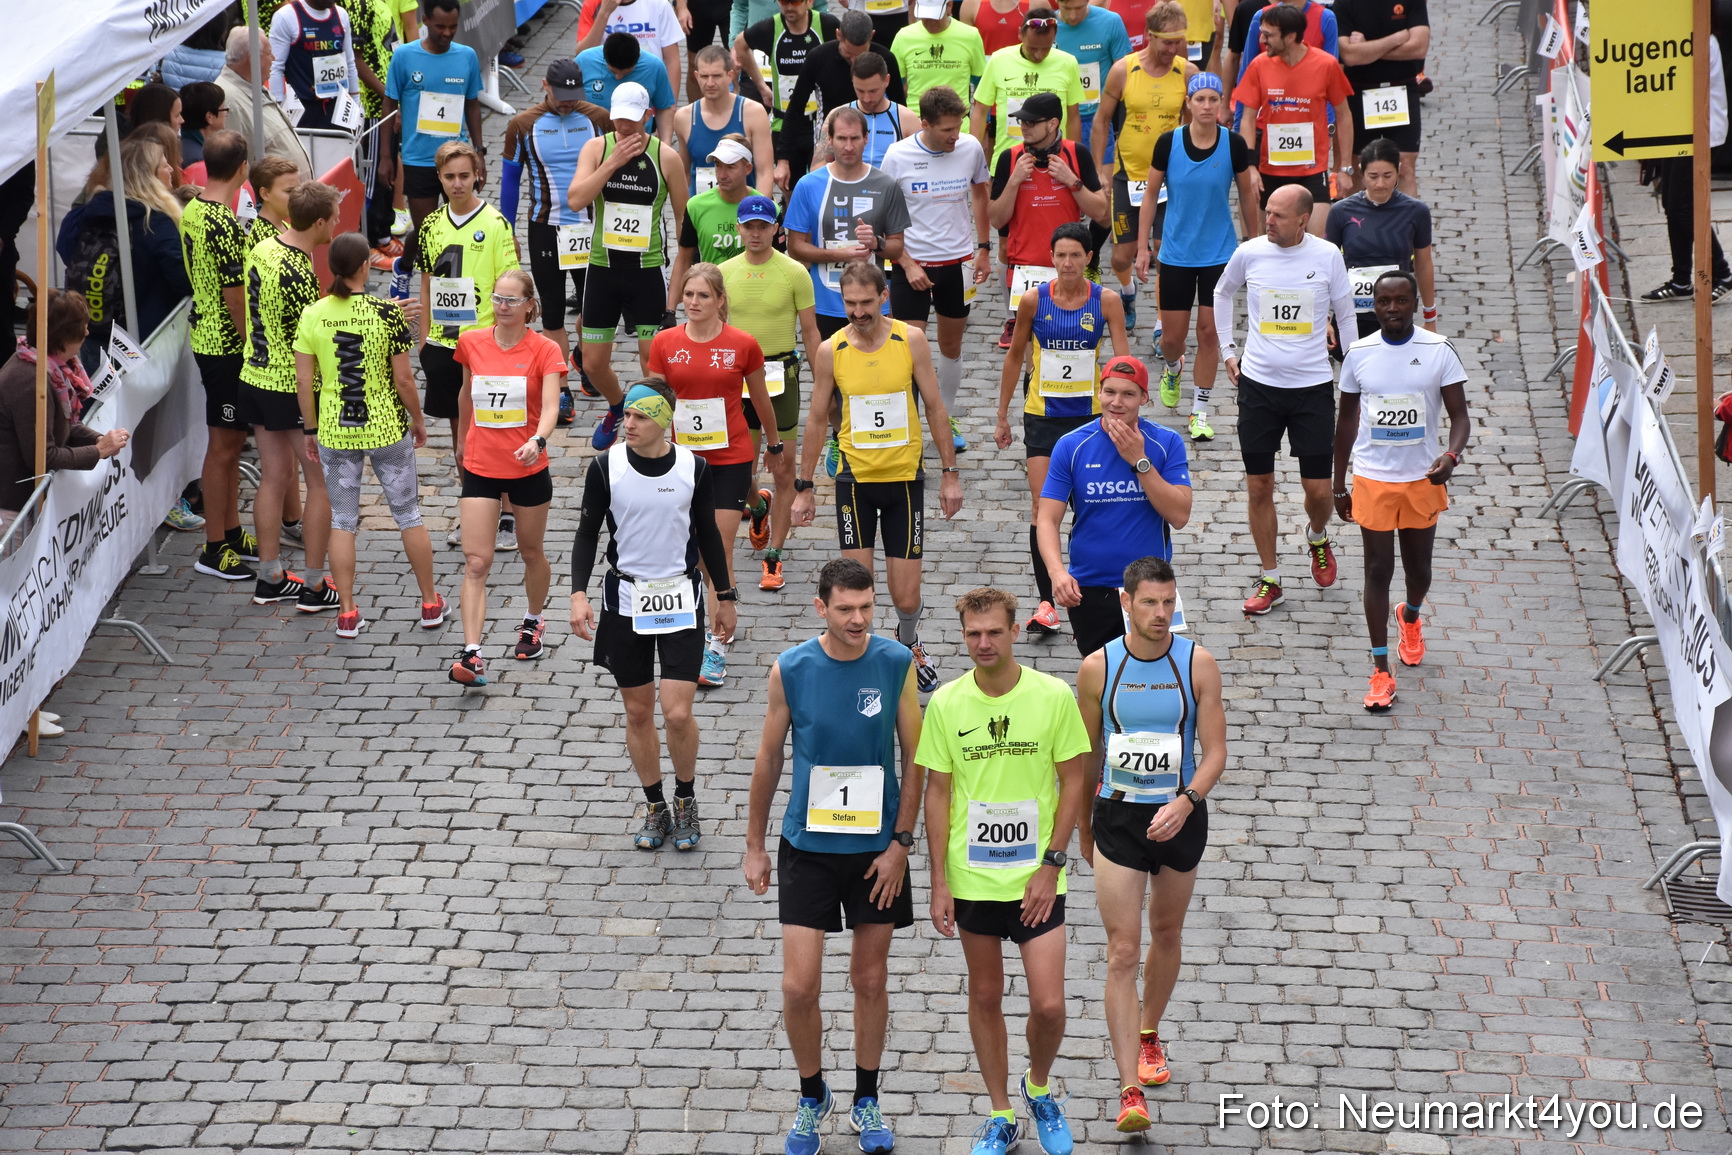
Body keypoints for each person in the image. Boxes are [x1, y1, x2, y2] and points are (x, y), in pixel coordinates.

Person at [742, 556, 921, 1155]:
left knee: (869, 978)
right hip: (808, 848)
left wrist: (901, 844)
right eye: (845, 609)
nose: (859, 619)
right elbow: (768, 761)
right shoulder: (791, 669)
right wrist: (754, 844)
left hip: (876, 852)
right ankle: (811, 1094)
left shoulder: (895, 662)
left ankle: (866, 1099)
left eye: (867, 608)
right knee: (799, 986)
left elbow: (915, 761)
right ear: (821, 607)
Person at [917, 587, 1089, 1155]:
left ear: (1016, 630)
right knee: (985, 994)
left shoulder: (1053, 696)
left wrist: (1053, 862)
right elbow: (936, 794)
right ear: (962, 635)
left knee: (1049, 1005)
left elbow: (1074, 780)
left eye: (994, 632)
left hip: (1038, 877)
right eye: (973, 634)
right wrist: (939, 880)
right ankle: (1000, 1112)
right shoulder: (945, 704)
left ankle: (1038, 1087)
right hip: (973, 879)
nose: (984, 643)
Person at [1074, 556, 1226, 1133]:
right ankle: (1128, 1088)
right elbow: (1085, 755)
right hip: (1118, 818)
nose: (1161, 614)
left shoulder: (1198, 664)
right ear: (1125, 603)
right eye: (1149, 603)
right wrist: (1085, 830)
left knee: (1166, 932)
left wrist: (1185, 801)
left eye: (1168, 603)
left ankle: (1149, 1033)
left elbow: (1215, 753)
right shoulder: (1097, 668)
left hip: (1180, 814)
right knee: (1121, 950)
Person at [571, 381, 736, 851]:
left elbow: (707, 532)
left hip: (680, 597)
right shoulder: (607, 466)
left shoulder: (693, 467)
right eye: (627, 416)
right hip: (625, 600)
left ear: (664, 420)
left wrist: (725, 595)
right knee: (638, 711)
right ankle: (655, 805)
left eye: (641, 417)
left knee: (678, 712)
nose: (630, 424)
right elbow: (586, 534)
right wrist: (577, 594)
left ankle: (685, 798)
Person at [791, 262, 963, 692]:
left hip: (904, 481)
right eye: (850, 303)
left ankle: (908, 643)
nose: (858, 311)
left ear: (884, 297)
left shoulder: (911, 339)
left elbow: (936, 408)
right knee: (854, 593)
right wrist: (805, 486)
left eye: (866, 302)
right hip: (854, 485)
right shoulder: (831, 350)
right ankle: (858, 660)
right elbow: (815, 420)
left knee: (905, 596)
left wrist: (950, 474)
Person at [292, 232, 447, 638]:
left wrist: (310, 428)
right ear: (365, 266)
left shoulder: (312, 315)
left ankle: (347, 611)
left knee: (343, 520)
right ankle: (430, 603)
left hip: (336, 429)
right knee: (409, 515)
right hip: (385, 428)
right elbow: (405, 378)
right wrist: (417, 419)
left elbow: (304, 381)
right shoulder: (386, 313)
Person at [646, 262, 792, 686]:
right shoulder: (665, 343)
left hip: (729, 458)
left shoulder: (742, 345)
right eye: (688, 295)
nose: (693, 303)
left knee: (717, 551)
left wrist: (775, 443)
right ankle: (754, 511)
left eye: (703, 296)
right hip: (681, 458)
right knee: (697, 554)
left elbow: (760, 399)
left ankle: (714, 644)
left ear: (720, 300)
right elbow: (655, 398)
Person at [1212, 183, 1355, 617]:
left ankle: (1316, 536)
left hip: (1311, 387)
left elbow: (1345, 314)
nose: (1267, 220)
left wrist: (1354, 367)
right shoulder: (1250, 252)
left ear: (1302, 221)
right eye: (1266, 211)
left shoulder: (1327, 256)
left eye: (1277, 215)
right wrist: (1227, 350)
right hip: (1258, 387)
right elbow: (1222, 293)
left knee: (1318, 491)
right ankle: (1270, 576)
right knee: (1260, 485)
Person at [1332, 270, 1468, 711]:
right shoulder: (1359, 353)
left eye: (1401, 301)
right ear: (1373, 305)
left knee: (1420, 570)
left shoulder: (1438, 350)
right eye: (1384, 301)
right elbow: (1347, 422)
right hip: (1373, 476)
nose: (1392, 309)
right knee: (1377, 569)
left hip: (1422, 477)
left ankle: (1409, 615)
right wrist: (1339, 484)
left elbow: (1460, 418)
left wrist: (1451, 456)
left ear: (1414, 303)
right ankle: (1380, 671)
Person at [995, 221, 1130, 635]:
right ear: (1050, 258)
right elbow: (1016, 355)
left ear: (1090, 258)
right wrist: (1002, 415)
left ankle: (1100, 583)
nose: (1067, 263)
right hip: (1044, 416)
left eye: (1076, 255)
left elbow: (1123, 363)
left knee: (1094, 502)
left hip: (1091, 418)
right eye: (1060, 255)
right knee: (1043, 510)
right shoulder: (1034, 300)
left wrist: (1125, 411)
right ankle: (1046, 601)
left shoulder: (1106, 301)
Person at [448, 270, 567, 684]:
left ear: (530, 306)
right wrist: (462, 442)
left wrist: (539, 438)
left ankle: (533, 619)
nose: (503, 306)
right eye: (498, 298)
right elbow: (466, 393)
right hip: (481, 465)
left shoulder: (545, 350)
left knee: (531, 551)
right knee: (477, 561)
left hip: (527, 466)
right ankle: (472, 652)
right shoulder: (472, 342)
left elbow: (552, 405)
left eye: (513, 300)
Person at [1035, 355, 1191, 657]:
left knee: (1151, 676)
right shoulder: (1071, 445)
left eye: (1128, 394)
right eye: (1110, 392)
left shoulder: (1166, 443)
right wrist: (1057, 573)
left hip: (1150, 589)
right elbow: (1047, 519)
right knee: (1101, 679)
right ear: (1098, 392)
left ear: (1144, 397)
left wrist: (1140, 462)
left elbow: (1180, 514)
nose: (1117, 402)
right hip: (1090, 587)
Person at [1135, 72, 1259, 440]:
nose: (1207, 106)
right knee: (1172, 339)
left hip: (1219, 254)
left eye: (1213, 99)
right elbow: (1150, 195)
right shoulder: (1167, 143)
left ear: (1222, 104)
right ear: (1188, 103)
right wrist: (1143, 246)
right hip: (1174, 253)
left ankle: (1199, 412)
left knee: (1209, 334)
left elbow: (1248, 199)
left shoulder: (1233, 144)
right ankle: (1173, 368)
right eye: (1199, 99)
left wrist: (1254, 243)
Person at [568, 81, 690, 450]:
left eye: (632, 122)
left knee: (652, 364)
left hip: (646, 270)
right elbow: (576, 199)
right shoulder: (596, 147)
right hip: (604, 269)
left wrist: (682, 278)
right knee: (592, 363)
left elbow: (684, 220)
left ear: (648, 117)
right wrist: (614, 161)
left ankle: (656, 431)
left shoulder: (665, 156)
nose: (624, 129)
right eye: (619, 120)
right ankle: (618, 405)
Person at [415, 141, 523, 546]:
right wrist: (424, 341)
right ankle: (475, 510)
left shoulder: (495, 224)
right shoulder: (430, 225)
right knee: (463, 438)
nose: (457, 183)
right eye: (449, 177)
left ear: (477, 173)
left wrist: (504, 343)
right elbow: (426, 285)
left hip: (484, 344)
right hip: (443, 345)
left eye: (464, 175)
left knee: (499, 429)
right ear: (439, 178)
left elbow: (509, 286)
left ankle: (508, 514)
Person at [241, 179, 341, 612]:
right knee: (320, 485)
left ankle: (270, 576)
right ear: (318, 222)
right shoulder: (300, 271)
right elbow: (311, 341)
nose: (337, 224)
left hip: (255, 375)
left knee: (274, 476)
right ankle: (316, 586)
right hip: (291, 389)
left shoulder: (263, 246)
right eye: (334, 218)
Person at [881, 85, 993, 451]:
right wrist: (907, 263)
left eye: (958, 127)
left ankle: (946, 416)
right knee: (911, 349)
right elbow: (882, 218)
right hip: (911, 267)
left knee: (950, 346)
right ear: (925, 124)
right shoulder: (898, 155)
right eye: (946, 129)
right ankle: (910, 424)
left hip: (957, 264)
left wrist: (983, 247)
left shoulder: (970, 148)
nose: (955, 136)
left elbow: (980, 191)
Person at [720, 195, 822, 591]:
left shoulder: (795, 273)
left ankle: (774, 556)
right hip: (735, 378)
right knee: (740, 470)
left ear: (776, 229)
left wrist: (823, 381)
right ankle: (756, 504)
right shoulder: (724, 272)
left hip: (780, 375)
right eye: (750, 226)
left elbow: (811, 332)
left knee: (783, 469)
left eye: (764, 226)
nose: (757, 233)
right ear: (740, 228)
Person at [501, 58, 604, 429]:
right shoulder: (523, 124)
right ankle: (562, 388)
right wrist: (507, 228)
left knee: (593, 309)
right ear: (544, 85)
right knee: (555, 311)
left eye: (573, 96)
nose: (567, 103)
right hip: (546, 227)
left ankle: (588, 360)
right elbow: (510, 180)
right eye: (560, 96)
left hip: (590, 227)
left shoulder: (597, 118)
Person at [182, 130, 261, 582]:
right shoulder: (222, 223)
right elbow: (236, 299)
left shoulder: (195, 209)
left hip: (209, 335)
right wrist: (252, 345)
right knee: (225, 445)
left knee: (229, 443)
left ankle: (230, 531)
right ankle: (214, 547)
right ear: (242, 168)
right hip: (224, 345)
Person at [1093, 1, 1195, 333]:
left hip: (1171, 179)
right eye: (1167, 41)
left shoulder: (1187, 72)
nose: (1174, 48)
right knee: (1121, 257)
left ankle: (1162, 326)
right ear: (1149, 36)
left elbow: (1194, 127)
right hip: (1128, 175)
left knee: (1164, 255)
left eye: (1179, 41)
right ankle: (1127, 292)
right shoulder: (1124, 69)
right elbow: (1101, 121)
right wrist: (1100, 169)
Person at [986, 92, 1109, 350]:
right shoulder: (1010, 158)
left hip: (1066, 268)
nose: (1024, 127)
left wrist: (1072, 182)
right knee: (1030, 357)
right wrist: (1014, 181)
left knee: (1067, 349)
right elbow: (997, 219)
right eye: (1022, 122)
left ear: (1053, 124)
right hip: (1024, 271)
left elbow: (1100, 212)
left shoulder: (1077, 154)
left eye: (1031, 122)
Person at [0, 290, 129, 531]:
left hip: (25, 502)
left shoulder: (52, 369)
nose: (88, 333)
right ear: (65, 337)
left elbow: (63, 423)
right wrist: (98, 451)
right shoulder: (31, 381)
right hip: (13, 510)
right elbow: (42, 456)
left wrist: (98, 439)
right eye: (83, 328)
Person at [57, 137, 192, 360]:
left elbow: (64, 248)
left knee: (94, 394)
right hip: (140, 340)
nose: (171, 169)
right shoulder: (154, 221)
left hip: (89, 333)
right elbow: (183, 280)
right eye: (164, 164)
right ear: (148, 176)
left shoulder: (89, 211)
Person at [784, 107, 910, 340]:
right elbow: (795, 248)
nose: (849, 146)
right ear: (830, 140)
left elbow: (897, 247)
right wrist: (840, 255)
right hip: (824, 302)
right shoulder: (808, 185)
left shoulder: (886, 185)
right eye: (842, 138)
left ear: (866, 139)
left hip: (872, 302)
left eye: (854, 138)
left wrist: (875, 242)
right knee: (829, 373)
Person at [1232, 3, 1352, 237]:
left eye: (1268, 35)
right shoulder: (1259, 65)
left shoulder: (1325, 64)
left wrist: (1345, 168)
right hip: (1269, 171)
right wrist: (1250, 166)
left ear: (1290, 37)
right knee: (1265, 245)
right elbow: (1247, 117)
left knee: (1316, 243)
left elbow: (1344, 114)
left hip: (1312, 170)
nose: (1262, 40)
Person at [382, 0, 485, 250]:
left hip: (456, 160)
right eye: (440, 26)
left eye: (453, 27)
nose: (447, 33)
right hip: (418, 160)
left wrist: (479, 153)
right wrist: (386, 157)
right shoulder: (404, 56)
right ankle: (406, 267)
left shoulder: (466, 56)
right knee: (426, 233)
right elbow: (389, 104)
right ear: (425, 20)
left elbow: (472, 105)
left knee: (458, 230)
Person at [1638, 36, 1731, 302]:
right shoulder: (1671, 36)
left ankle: (1721, 272)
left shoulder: (1701, 40)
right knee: (1671, 202)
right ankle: (1681, 281)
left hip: (1698, 132)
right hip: (1675, 127)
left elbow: (1682, 84)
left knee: (1682, 206)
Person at [777, 10, 907, 193]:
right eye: (849, 54)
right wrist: (783, 160)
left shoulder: (884, 60)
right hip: (830, 141)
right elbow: (795, 110)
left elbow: (899, 109)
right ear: (838, 35)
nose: (855, 63)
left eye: (861, 54)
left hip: (875, 141)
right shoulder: (818, 58)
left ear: (872, 36)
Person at [1324, 138, 1435, 340]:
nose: (1380, 184)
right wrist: (1323, 317)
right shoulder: (1341, 211)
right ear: (1361, 171)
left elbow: (1424, 263)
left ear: (1398, 170)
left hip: (1397, 314)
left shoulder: (1416, 211)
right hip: (1353, 314)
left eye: (1387, 175)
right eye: (1373, 176)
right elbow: (1325, 266)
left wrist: (1430, 316)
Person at [735, 0, 840, 187]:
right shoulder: (771, 27)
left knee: (822, 185)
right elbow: (740, 45)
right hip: (785, 124)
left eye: (796, 2)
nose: (790, 7)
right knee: (789, 188)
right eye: (784, 2)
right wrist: (761, 86)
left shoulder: (826, 24)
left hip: (819, 123)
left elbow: (850, 47)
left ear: (809, 2)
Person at [1333, 0, 1429, 198]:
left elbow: (1419, 47)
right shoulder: (1344, 3)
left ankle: (1406, 226)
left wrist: (1367, 48)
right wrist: (1396, 39)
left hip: (1402, 89)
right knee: (1356, 167)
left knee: (1405, 167)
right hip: (1358, 91)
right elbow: (1349, 55)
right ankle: (1356, 226)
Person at [972, 9, 1085, 174]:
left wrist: (1073, 161)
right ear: (1020, 34)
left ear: (1055, 38)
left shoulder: (1068, 63)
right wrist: (974, 155)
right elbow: (980, 111)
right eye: (1032, 48)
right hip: (1009, 160)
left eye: (1046, 49)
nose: (1039, 55)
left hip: (1055, 164)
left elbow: (1073, 116)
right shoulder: (999, 60)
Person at [669, 135, 762, 298]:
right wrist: (670, 309)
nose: (722, 175)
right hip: (710, 298)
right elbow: (684, 258)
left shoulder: (765, 208)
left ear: (747, 168)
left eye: (730, 167)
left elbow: (778, 262)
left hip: (751, 297)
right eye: (718, 166)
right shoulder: (696, 205)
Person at [674, 46, 774, 193]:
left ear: (730, 76)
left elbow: (764, 173)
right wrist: (683, 215)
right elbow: (684, 175)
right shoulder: (684, 117)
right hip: (701, 212)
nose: (710, 83)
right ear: (696, 76)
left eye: (716, 76)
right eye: (704, 76)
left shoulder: (753, 113)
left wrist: (758, 212)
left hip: (743, 210)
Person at [218, 27, 314, 178]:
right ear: (253, 58)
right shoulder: (230, 100)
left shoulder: (253, 84)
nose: (274, 58)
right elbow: (235, 168)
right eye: (269, 53)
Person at [267, 0, 362, 130]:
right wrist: (277, 111)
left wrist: (355, 104)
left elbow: (350, 63)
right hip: (303, 110)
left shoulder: (341, 14)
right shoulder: (286, 16)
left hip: (339, 108)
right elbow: (275, 67)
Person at [1055, 0, 1132, 157]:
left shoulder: (1111, 21)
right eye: (1067, 9)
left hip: (1098, 120)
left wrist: (1123, 129)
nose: (1073, 15)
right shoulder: (1048, 26)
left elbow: (1126, 78)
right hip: (1057, 122)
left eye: (1079, 8)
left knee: (1101, 180)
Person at [577, 32, 680, 142]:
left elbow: (664, 108)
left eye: (626, 73)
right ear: (604, 55)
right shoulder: (584, 61)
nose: (618, 77)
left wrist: (665, 143)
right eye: (612, 71)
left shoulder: (655, 66)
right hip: (592, 140)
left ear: (638, 57)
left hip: (637, 141)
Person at [578, 0, 688, 99]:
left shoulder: (659, 4)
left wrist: (670, 106)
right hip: (605, 91)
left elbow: (672, 61)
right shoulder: (592, 4)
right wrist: (604, 14)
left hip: (647, 89)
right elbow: (582, 56)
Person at [891, 0, 986, 108]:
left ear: (949, 6)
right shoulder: (903, 37)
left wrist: (982, 118)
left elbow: (980, 83)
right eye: (924, 15)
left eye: (935, 16)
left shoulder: (970, 36)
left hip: (957, 120)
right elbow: (896, 84)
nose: (929, 21)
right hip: (916, 120)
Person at [1230, 0, 1337, 86]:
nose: (1263, 40)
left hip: (1311, 106)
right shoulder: (1261, 15)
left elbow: (1332, 76)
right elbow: (1246, 73)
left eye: (1268, 35)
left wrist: (1327, 113)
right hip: (1270, 105)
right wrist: (1241, 112)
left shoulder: (1325, 17)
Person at [247, 156, 303, 249]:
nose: (297, 196)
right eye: (289, 191)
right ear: (265, 194)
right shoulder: (258, 237)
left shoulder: (287, 227)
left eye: (298, 190)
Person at [178, 81, 228, 168]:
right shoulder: (197, 161)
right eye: (223, 109)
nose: (226, 113)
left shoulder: (183, 145)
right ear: (209, 117)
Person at [961, 0, 1030, 59]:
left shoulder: (1034, 4)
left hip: (1020, 70)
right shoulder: (971, 3)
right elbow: (965, 49)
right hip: (984, 70)